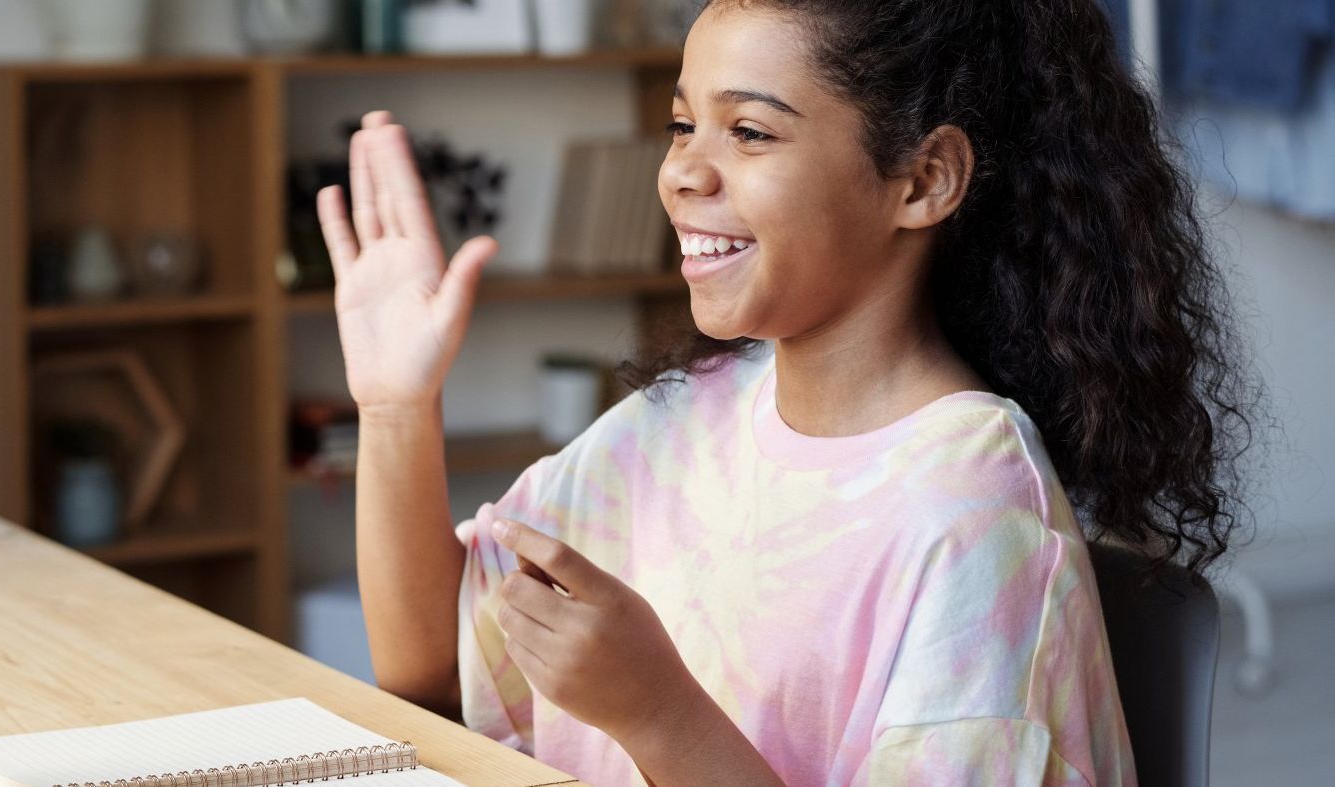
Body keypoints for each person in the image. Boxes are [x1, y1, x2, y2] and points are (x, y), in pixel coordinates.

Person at [314, 0, 1260, 784]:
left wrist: (660, 716)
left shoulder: (978, 525)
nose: (683, 170)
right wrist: (399, 406)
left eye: (751, 131)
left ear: (924, 180)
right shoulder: (677, 423)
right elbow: (431, 666)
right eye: (685, 123)